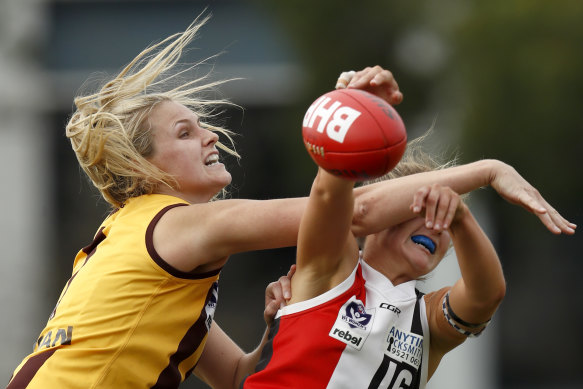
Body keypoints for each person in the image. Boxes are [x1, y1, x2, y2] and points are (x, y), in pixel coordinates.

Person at [6, 15, 574, 389]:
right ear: (143, 168)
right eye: (183, 133)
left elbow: (238, 378)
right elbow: (349, 212)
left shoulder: (155, 262)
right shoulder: (182, 226)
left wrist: (283, 331)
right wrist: (483, 171)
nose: (208, 135)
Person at [239, 75, 577, 388]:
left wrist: (462, 218)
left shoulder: (427, 318)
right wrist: (357, 110)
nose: (435, 224)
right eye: (420, 209)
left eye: (444, 217)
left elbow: (486, 295)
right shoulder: (330, 268)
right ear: (379, 220)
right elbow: (334, 193)